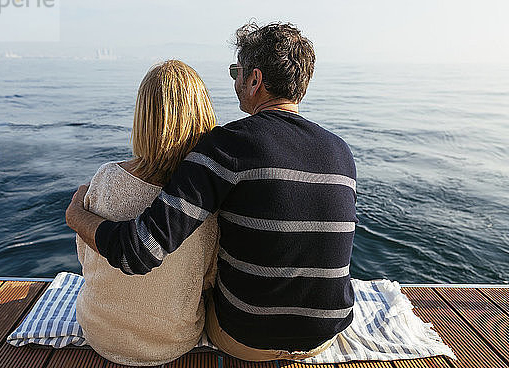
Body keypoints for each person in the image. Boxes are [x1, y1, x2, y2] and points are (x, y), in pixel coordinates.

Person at [67, 22, 357, 362]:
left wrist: (75, 214)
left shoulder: (227, 146)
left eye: (237, 71)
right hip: (324, 335)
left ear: (255, 80)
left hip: (246, 340)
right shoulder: (342, 152)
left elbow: (139, 252)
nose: (235, 81)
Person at [74, 60, 219, 366]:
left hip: (98, 331)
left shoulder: (106, 178)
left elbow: (86, 258)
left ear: (143, 117)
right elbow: (209, 277)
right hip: (173, 341)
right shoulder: (207, 198)